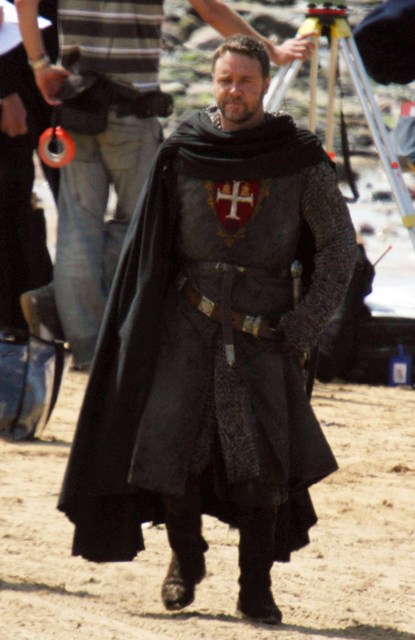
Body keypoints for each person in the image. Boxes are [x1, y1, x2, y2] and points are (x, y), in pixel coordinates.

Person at [56, 35, 357, 624]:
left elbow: (339, 247)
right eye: (225, 80)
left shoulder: (297, 157)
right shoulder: (184, 150)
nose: (233, 91)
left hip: (266, 328)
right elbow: (151, 246)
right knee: (171, 449)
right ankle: (186, 559)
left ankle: (255, 587)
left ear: (264, 83)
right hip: (184, 321)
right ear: (213, 82)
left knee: (262, 464)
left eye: (245, 81)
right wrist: (138, 327)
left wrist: (305, 325)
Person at [15, 0, 315, 369]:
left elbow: (24, 3)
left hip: (77, 105)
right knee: (145, 225)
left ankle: (85, 346)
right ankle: (58, 307)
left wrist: (39, 65)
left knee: (79, 230)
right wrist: (273, 52)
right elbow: (210, 10)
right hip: (133, 107)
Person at [0, 0, 58, 334]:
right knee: (12, 193)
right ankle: (16, 317)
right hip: (18, 66)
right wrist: (6, 90)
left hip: (55, 66)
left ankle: (42, 311)